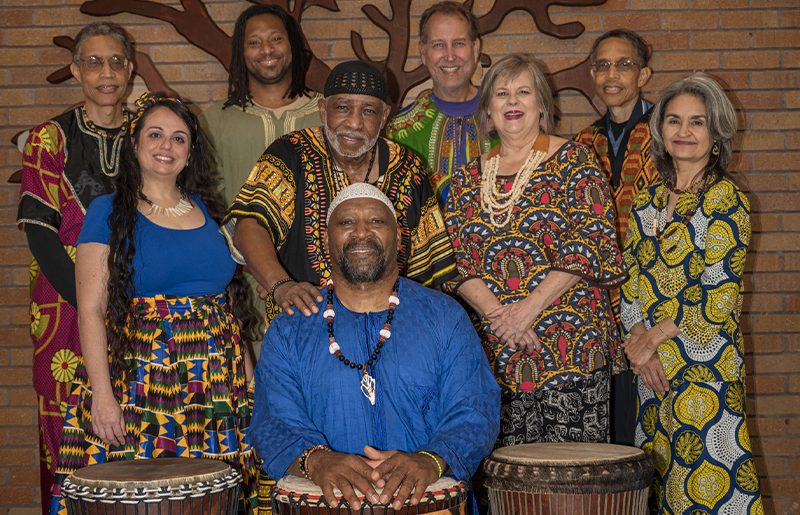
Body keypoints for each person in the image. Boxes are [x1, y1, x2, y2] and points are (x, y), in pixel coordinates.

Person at [49, 93, 259, 515]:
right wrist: (103, 395)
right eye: (156, 135)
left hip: (216, 383)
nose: (167, 146)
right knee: (143, 499)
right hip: (141, 379)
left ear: (190, 152)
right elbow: (90, 308)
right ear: (135, 144)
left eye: (179, 138)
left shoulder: (209, 211)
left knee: (211, 497)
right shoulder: (107, 211)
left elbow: (228, 308)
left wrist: (250, 385)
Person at [250, 182, 500, 513]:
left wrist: (433, 459)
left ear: (399, 237)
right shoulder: (289, 329)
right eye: (346, 222)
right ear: (326, 239)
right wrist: (315, 459)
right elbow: (273, 421)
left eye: (377, 221)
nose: (362, 232)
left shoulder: (444, 315)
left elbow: (476, 408)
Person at [444, 54, 627, 447]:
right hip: (498, 353)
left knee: (574, 484)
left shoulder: (574, 161)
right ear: (488, 111)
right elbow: (456, 260)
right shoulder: (464, 180)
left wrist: (528, 309)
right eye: (502, 93)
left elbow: (590, 240)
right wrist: (501, 318)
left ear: (542, 105)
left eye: (523, 92)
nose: (512, 101)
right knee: (509, 483)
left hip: (571, 348)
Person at [222, 60, 457, 329]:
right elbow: (248, 225)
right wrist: (280, 284)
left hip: (390, 330)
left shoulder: (407, 167)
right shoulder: (291, 153)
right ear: (323, 110)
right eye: (343, 108)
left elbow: (430, 265)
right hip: (304, 326)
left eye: (368, 111)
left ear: (384, 117)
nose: (354, 123)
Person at [620, 74, 762, 514]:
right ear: (661, 130)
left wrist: (652, 341)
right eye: (675, 121)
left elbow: (718, 297)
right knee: (666, 489)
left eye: (697, 122)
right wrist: (639, 345)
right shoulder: (645, 200)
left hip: (704, 370)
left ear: (716, 133)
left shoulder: (726, 200)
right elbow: (631, 282)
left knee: (710, 491)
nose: (684, 132)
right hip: (653, 375)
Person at [16, 21, 134, 514]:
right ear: (76, 71)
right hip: (62, 304)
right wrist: (88, 303)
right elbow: (40, 232)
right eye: (93, 62)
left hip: (136, 294)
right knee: (68, 420)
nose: (105, 73)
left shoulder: (151, 132)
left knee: (136, 415)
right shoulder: (49, 138)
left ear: (130, 69)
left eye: (115, 62)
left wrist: (122, 303)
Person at [199, 4, 324, 355]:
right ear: (240, 52)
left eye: (275, 39)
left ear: (294, 45)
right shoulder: (214, 122)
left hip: (321, 280)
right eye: (254, 42)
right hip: (241, 286)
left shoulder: (328, 112)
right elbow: (205, 204)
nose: (266, 50)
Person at [573, 29, 660, 447]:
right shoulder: (582, 143)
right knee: (610, 433)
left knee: (652, 430)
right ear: (592, 73)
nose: (612, 74)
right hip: (600, 310)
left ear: (642, 74)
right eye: (603, 65)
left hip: (655, 304)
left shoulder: (668, 134)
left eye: (623, 64)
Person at [384, 1, 497, 204]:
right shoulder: (399, 131)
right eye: (438, 45)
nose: (450, 56)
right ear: (423, 53)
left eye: (459, 43)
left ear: (475, 48)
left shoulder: (508, 119)